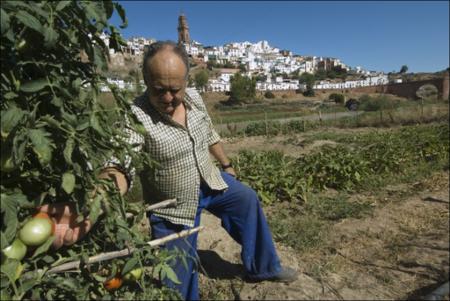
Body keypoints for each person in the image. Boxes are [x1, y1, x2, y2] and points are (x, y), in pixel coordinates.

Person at [39, 40, 297, 300]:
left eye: (175, 89)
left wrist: (226, 165)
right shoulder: (135, 116)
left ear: (186, 80)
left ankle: (264, 267)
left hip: (209, 180)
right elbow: (119, 164)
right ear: (145, 80)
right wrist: (94, 201)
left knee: (247, 199)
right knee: (178, 282)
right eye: (159, 89)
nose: (168, 98)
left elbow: (209, 134)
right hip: (172, 205)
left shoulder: (195, 98)